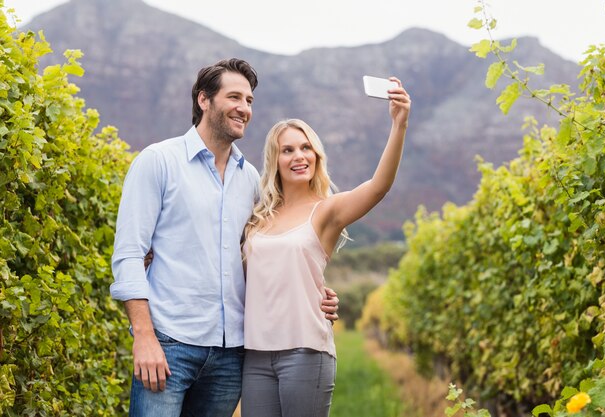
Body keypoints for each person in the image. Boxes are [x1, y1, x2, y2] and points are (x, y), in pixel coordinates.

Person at [110, 58, 338, 417]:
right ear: (204, 100)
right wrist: (143, 336)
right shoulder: (158, 161)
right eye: (235, 97)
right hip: (169, 346)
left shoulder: (250, 180)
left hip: (232, 356)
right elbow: (128, 255)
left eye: (249, 100)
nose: (244, 108)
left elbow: (274, 250)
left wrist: (314, 293)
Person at [241, 77, 411, 417]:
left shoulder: (326, 211)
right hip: (255, 355)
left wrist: (399, 123)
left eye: (306, 148)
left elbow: (378, 187)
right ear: (275, 160)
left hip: (305, 352)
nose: (299, 156)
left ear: (317, 156)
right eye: (287, 150)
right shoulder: (257, 216)